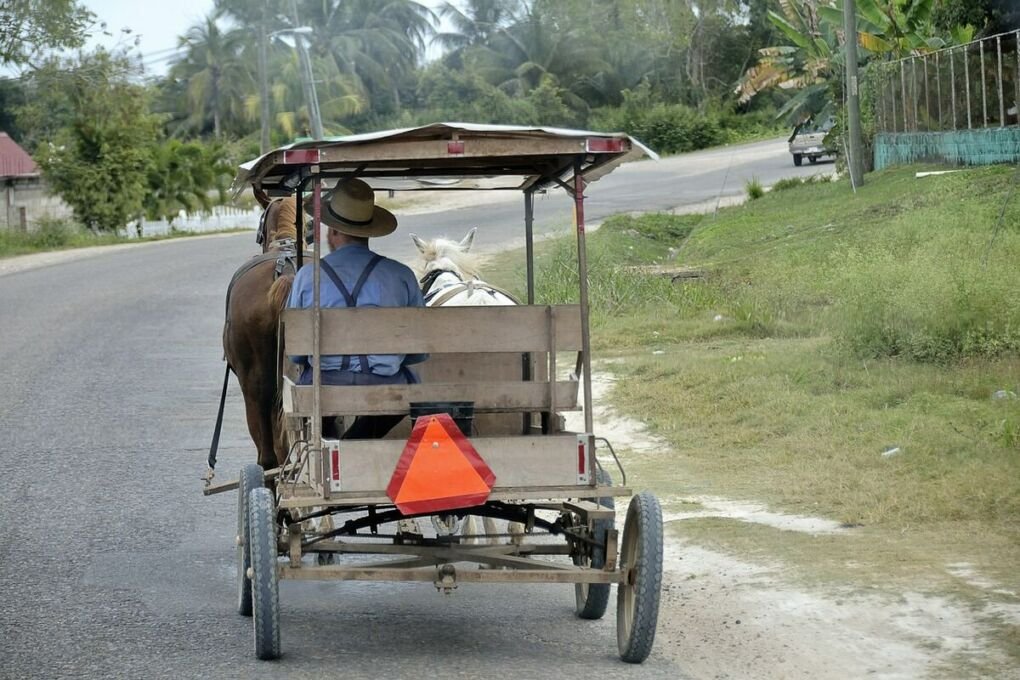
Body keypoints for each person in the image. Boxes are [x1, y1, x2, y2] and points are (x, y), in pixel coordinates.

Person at [287, 178, 427, 439]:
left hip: (323, 386)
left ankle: (332, 448)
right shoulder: (402, 275)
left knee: (310, 388)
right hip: (387, 387)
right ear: (369, 232)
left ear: (333, 232)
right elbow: (418, 353)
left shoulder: (307, 277)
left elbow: (296, 355)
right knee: (410, 383)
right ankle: (358, 442)